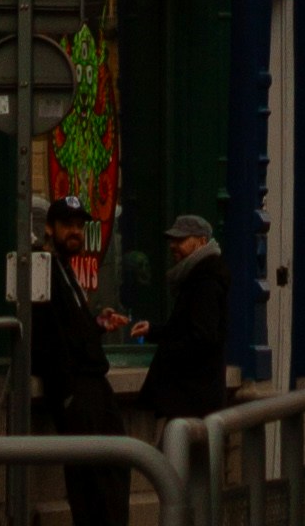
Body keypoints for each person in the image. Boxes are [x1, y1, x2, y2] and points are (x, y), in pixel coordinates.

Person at [31, 206, 127, 526]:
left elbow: (71, 327)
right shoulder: (43, 266)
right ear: (50, 228)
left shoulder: (65, 268)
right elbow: (46, 334)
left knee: (113, 469)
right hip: (75, 387)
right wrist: (68, 389)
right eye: (67, 225)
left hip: (93, 383)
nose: (75, 231)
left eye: (79, 225)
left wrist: (96, 325)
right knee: (90, 479)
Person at [136, 214, 230, 432]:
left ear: (202, 241)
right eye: (172, 240)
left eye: (181, 240)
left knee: (176, 449)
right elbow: (186, 328)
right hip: (191, 397)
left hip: (192, 398)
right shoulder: (197, 276)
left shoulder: (205, 282)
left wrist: (170, 351)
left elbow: (202, 337)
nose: (173, 245)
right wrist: (153, 331)